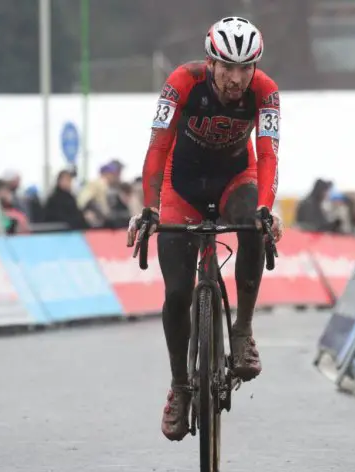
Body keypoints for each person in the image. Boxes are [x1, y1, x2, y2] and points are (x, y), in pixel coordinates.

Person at [126, 16, 283, 442]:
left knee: (253, 225)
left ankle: (244, 330)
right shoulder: (182, 81)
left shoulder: (265, 92)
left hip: (236, 178)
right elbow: (158, 146)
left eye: (245, 68)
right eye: (227, 67)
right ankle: (180, 386)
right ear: (210, 62)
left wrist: (267, 208)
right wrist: (149, 207)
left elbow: (268, 155)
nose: (236, 79)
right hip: (183, 186)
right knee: (177, 294)